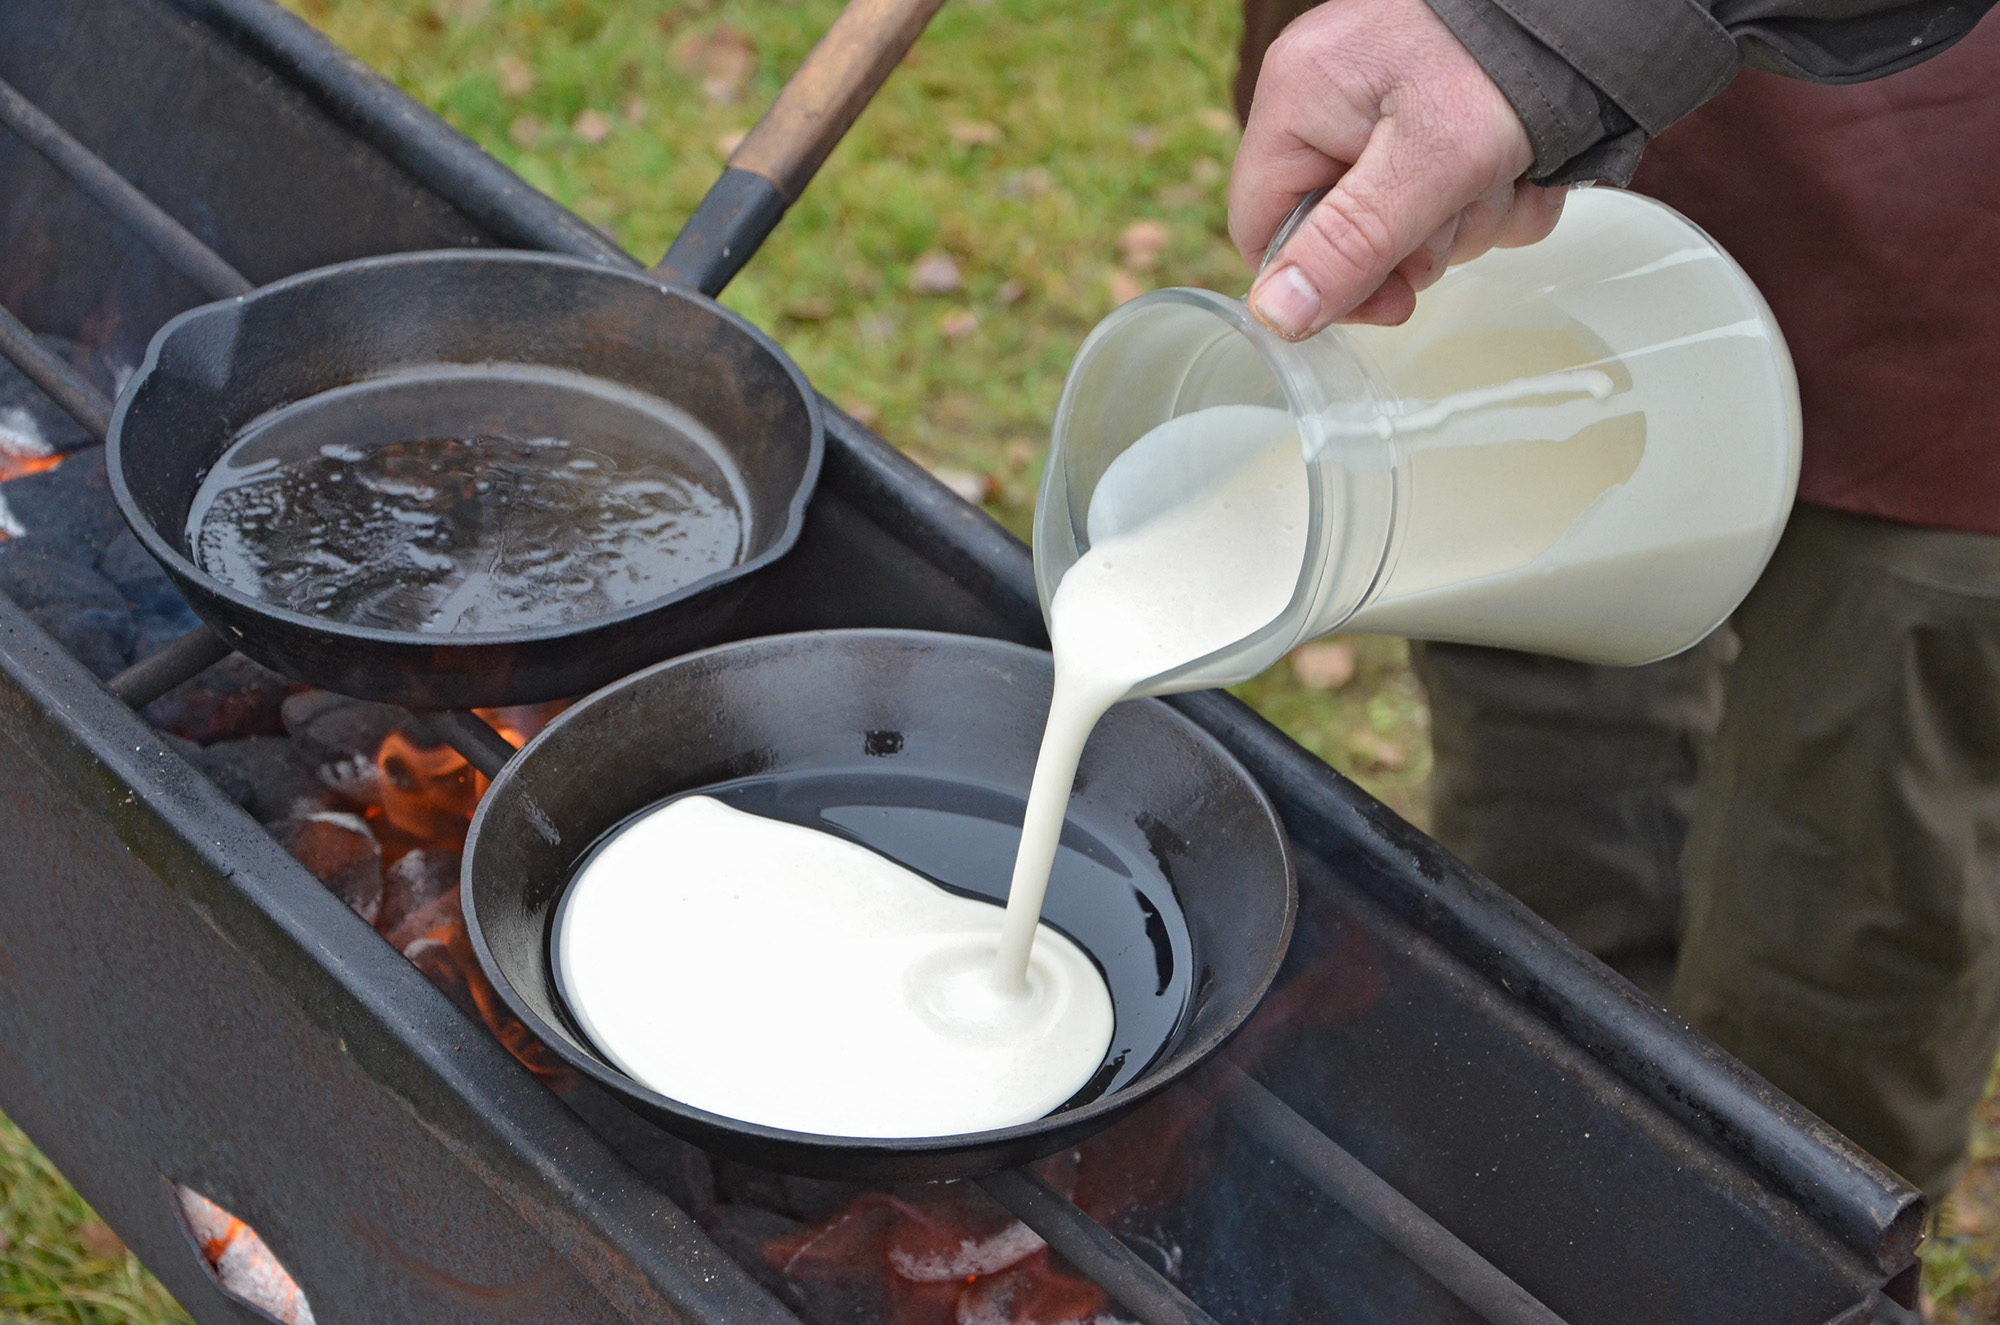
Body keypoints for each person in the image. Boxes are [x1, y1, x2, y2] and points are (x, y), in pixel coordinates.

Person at [1232, 1, 1999, 1316]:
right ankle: (1537, 1229)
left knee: (1841, 889)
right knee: (1543, 828)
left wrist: (1540, 24)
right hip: (1461, 131)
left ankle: (1781, 1285)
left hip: (1942, 173)